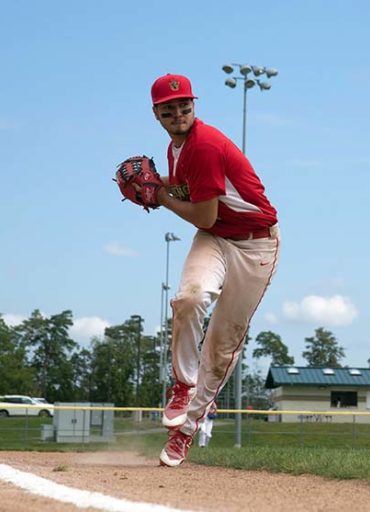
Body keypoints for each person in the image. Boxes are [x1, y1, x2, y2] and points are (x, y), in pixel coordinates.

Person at [149, 73, 280, 467]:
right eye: (168, 108)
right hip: (216, 238)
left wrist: (159, 196)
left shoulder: (203, 145)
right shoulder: (177, 147)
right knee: (188, 298)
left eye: (184, 105)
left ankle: (186, 431)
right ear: (156, 114)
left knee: (222, 348)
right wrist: (162, 182)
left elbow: (203, 215)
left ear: (194, 106)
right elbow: (194, 194)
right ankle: (183, 386)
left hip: (254, 244)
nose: (178, 113)